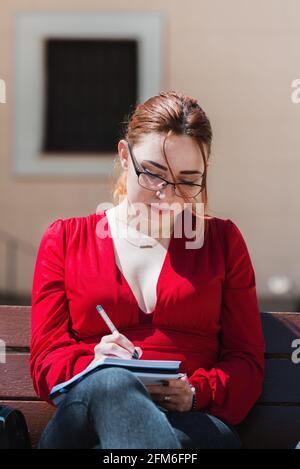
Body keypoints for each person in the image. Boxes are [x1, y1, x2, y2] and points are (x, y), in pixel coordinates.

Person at [30, 90, 265, 449]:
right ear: (125, 156)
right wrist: (93, 364)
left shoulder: (223, 241)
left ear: (205, 172)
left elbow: (246, 363)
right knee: (111, 383)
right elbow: (46, 360)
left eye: (187, 181)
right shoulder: (65, 239)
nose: (167, 195)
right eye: (153, 174)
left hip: (190, 425)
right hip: (85, 419)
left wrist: (194, 392)